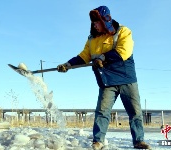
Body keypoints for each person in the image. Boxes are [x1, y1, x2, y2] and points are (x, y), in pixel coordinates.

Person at [57, 5, 150, 150]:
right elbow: (84, 56)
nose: (94, 24)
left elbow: (123, 52)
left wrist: (103, 57)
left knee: (135, 112)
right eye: (93, 22)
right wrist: (68, 64)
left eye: (96, 21)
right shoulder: (92, 39)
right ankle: (98, 141)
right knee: (102, 111)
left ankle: (139, 141)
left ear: (105, 20)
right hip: (107, 81)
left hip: (126, 79)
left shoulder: (123, 31)